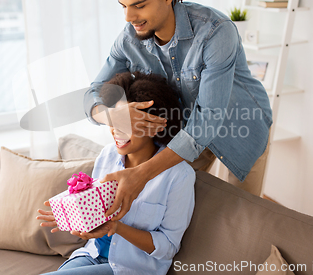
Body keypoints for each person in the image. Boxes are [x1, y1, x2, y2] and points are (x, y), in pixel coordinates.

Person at [84, 0, 272, 220]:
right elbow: (91, 94)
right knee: (186, 215)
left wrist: (141, 173)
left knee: (242, 220)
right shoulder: (128, 39)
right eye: (123, 5)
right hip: (186, 133)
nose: (128, 17)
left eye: (139, 5)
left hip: (240, 128)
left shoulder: (216, 33)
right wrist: (113, 115)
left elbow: (207, 120)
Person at [38, 71, 195, 275]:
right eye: (112, 121)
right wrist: (73, 214)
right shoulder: (107, 155)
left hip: (131, 268)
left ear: (154, 125)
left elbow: (167, 248)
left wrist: (116, 227)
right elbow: (95, 211)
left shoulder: (178, 175)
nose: (115, 131)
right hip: (90, 255)